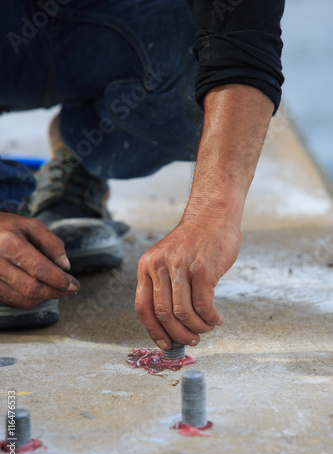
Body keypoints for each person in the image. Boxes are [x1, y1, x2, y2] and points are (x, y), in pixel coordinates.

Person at [0, 0, 285, 342]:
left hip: (111, 26)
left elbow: (243, 38)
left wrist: (212, 214)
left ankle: (82, 151)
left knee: (197, 56)